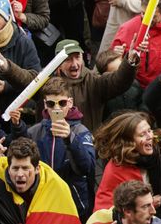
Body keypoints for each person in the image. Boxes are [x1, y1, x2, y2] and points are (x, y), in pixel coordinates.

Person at [0, 39, 140, 132]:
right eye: (68, 59)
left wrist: (130, 62)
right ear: (58, 63)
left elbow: (118, 81)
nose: (75, 64)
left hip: (84, 149)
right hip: (50, 148)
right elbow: (25, 79)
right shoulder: (46, 81)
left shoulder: (94, 81)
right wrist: (6, 66)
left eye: (77, 57)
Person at [20, 77, 95, 221]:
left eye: (62, 103)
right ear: (45, 105)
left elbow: (87, 167)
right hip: (43, 200)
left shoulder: (81, 131)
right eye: (51, 103)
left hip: (74, 203)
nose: (56, 108)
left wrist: (70, 138)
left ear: (70, 102)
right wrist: (17, 129)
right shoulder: (34, 132)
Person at [0, 137, 81, 223]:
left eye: (25, 168)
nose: (20, 174)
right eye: (15, 168)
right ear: (8, 168)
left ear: (37, 169)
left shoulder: (56, 188)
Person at [94, 112, 161, 212]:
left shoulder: (153, 156)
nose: (150, 136)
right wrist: (150, 203)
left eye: (149, 130)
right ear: (129, 141)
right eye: (142, 134)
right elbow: (125, 208)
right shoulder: (118, 167)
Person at [87, 180, 161, 224]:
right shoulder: (99, 220)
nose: (153, 211)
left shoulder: (158, 222)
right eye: (145, 206)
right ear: (128, 211)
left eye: (151, 204)